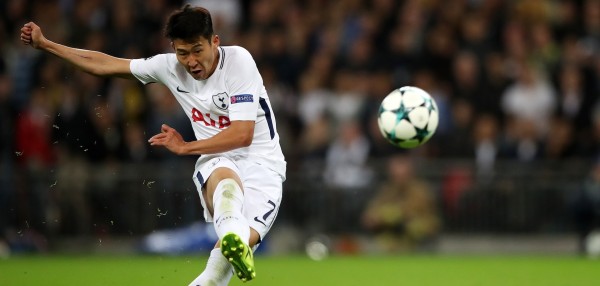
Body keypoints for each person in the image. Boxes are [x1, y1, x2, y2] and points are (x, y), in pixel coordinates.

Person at [20, 5, 286, 285]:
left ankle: (234, 238)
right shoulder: (169, 67)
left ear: (214, 41)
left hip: (263, 165)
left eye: (198, 50)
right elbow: (106, 64)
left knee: (217, 272)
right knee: (222, 174)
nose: (191, 61)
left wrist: (185, 147)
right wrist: (46, 44)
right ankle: (233, 233)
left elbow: (242, 134)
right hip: (216, 158)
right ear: (173, 49)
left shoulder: (239, 61)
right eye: (182, 53)